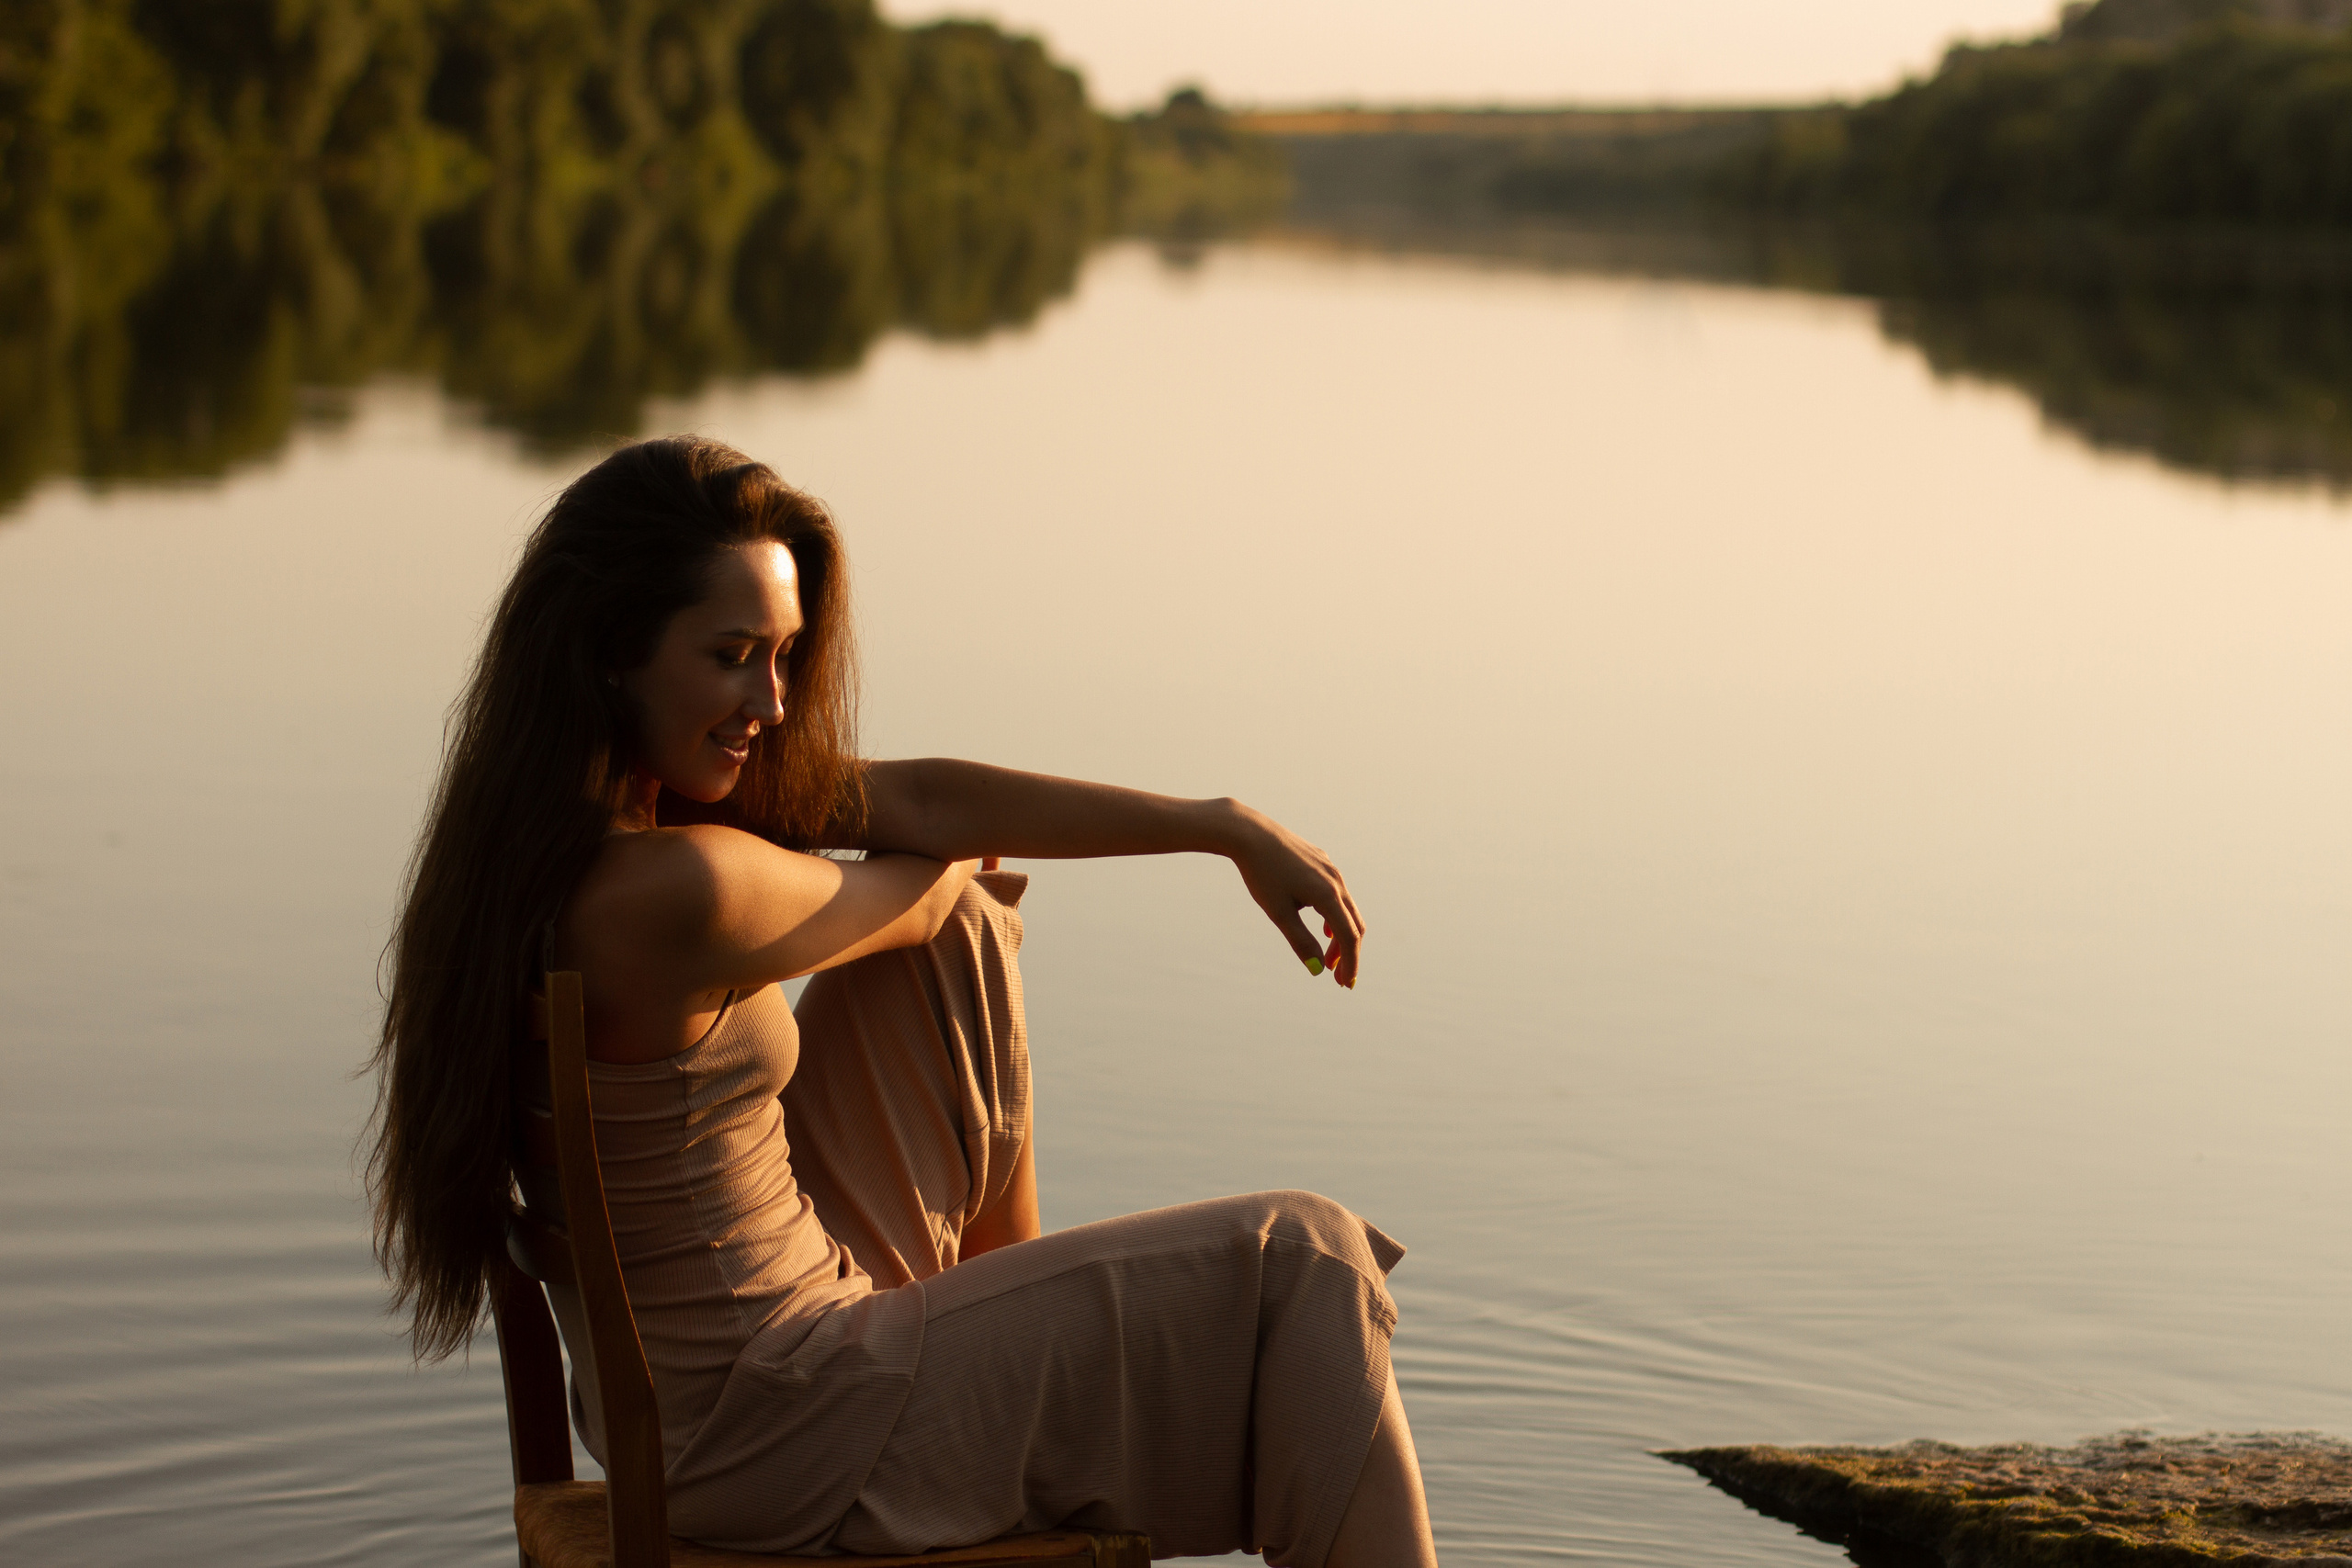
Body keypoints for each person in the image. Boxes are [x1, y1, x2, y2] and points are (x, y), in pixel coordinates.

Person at [367, 436, 1437, 1568]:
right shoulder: (678, 888)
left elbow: (920, 819)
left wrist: (1218, 824)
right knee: (1309, 1259)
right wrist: (997, 852)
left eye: (781, 657)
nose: (771, 704)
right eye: (732, 656)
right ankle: (1024, 1391)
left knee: (962, 934)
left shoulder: (540, 848)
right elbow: (918, 867)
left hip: (726, 1406)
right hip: (785, 1429)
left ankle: (1010, 1340)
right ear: (609, 654)